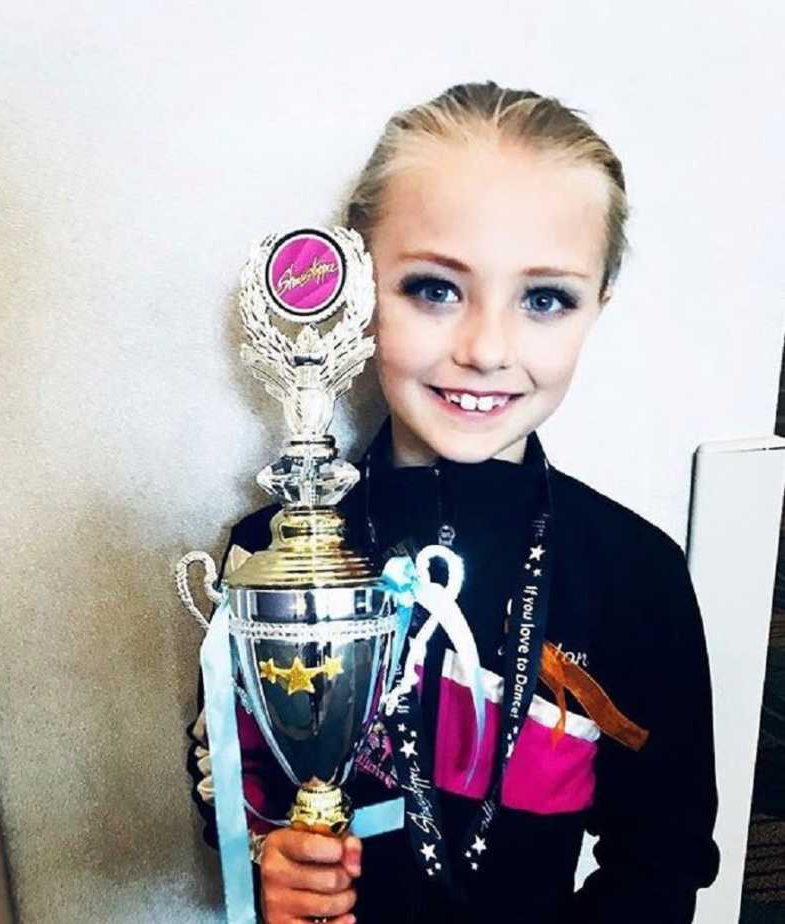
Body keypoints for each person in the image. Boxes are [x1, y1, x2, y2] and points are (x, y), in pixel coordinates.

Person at [186, 81, 720, 923]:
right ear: (357, 290)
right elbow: (236, 782)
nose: (485, 349)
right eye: (436, 288)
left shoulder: (634, 573)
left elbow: (662, 859)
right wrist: (268, 862)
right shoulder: (271, 554)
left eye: (545, 299)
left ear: (596, 310)